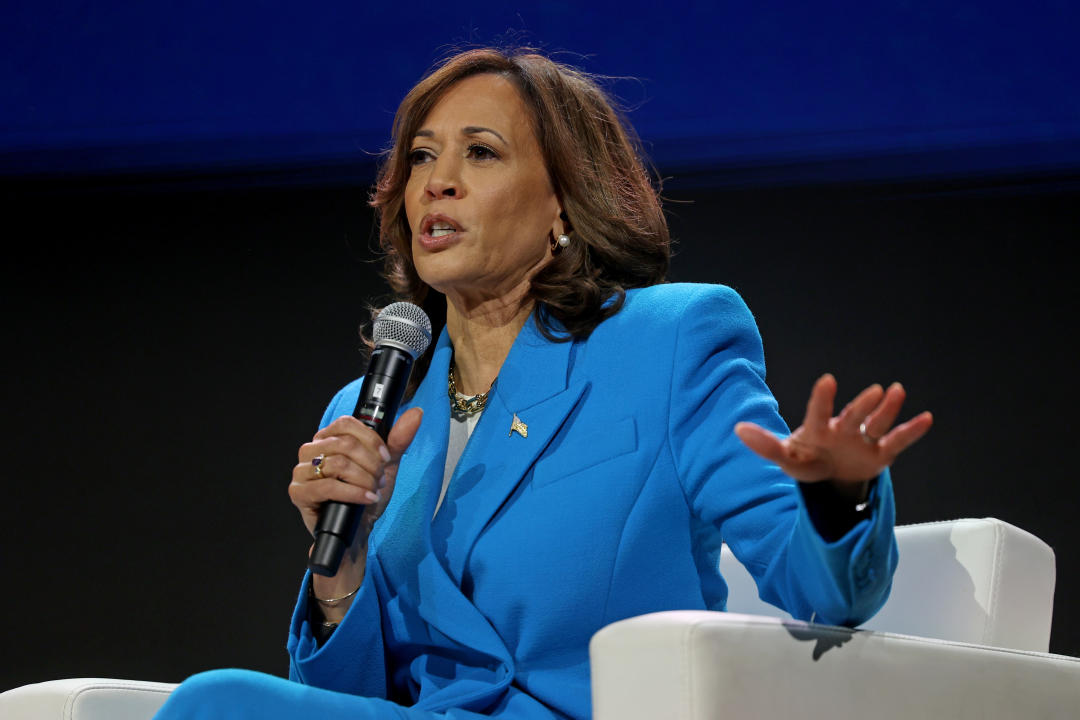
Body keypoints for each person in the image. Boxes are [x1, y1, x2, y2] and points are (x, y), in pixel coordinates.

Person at [154, 48, 932, 720]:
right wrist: (342, 575)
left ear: (563, 197)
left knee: (211, 703)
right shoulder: (371, 413)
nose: (438, 184)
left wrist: (838, 495)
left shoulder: (667, 343)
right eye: (422, 157)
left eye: (480, 153)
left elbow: (826, 597)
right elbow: (353, 698)